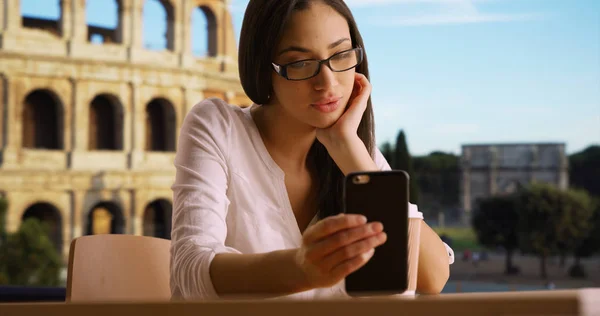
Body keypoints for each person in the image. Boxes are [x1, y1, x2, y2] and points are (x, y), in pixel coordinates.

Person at [170, 0, 453, 301]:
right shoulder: (219, 126)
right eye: (301, 63)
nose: (327, 83)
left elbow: (432, 277)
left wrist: (350, 151)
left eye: (341, 55)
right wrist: (301, 269)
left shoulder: (354, 148)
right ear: (263, 68)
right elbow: (191, 270)